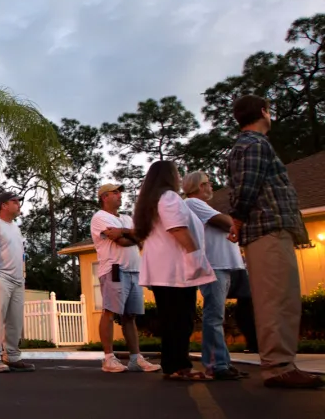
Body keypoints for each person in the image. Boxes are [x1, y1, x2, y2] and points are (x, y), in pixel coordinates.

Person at [227, 95, 324, 389]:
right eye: (269, 109)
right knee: (276, 300)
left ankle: (282, 364)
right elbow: (247, 185)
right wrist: (238, 221)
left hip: (272, 231)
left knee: (283, 299)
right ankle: (279, 367)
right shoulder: (254, 144)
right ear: (262, 112)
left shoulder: (253, 145)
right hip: (268, 230)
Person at [134, 160, 217, 382]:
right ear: (169, 176)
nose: (179, 178)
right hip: (175, 270)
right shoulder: (169, 197)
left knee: (171, 319)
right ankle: (180, 366)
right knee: (181, 319)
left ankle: (172, 365)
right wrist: (195, 255)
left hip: (162, 271)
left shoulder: (150, 202)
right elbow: (177, 228)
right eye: (177, 173)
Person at [183, 171, 249, 380]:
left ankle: (223, 363)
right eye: (208, 183)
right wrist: (235, 222)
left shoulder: (203, 205)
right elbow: (224, 222)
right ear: (199, 186)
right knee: (214, 316)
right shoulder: (193, 203)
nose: (211, 186)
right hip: (214, 266)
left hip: (226, 265)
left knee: (219, 315)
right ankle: (216, 364)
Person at [90, 183, 160, 373]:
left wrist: (124, 232)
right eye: (115, 192)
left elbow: (141, 236)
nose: (120, 195)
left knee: (130, 316)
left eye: (120, 192)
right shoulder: (100, 218)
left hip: (134, 270)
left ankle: (136, 359)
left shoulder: (127, 219)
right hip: (115, 268)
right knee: (110, 311)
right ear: (104, 197)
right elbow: (121, 241)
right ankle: (108, 358)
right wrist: (130, 235)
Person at [0, 192, 36, 373]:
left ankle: (12, 356)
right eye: (14, 201)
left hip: (18, 280)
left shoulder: (15, 228)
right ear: (3, 205)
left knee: (15, 320)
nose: (18, 204)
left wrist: (22, 278)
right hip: (1, 278)